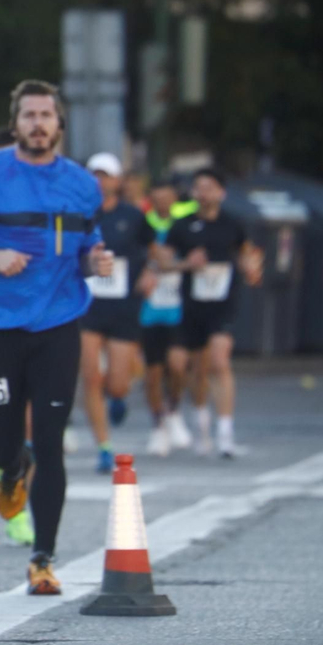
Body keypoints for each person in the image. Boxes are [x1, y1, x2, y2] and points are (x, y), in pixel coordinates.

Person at [0, 80, 114, 597]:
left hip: (58, 326)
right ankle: (10, 469)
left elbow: (88, 243)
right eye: (29, 115)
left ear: (59, 125)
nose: (37, 123)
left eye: (46, 115)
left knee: (50, 441)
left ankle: (43, 558)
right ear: (16, 124)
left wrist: (94, 260)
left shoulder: (81, 185)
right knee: (5, 440)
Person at [166, 168, 257, 458]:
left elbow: (247, 252)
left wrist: (250, 266)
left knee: (219, 361)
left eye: (209, 187)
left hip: (223, 304)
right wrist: (185, 265)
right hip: (192, 306)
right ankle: (200, 416)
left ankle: (225, 433)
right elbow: (163, 262)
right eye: (199, 187)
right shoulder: (181, 225)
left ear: (221, 193)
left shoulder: (233, 224)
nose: (203, 193)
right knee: (187, 366)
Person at [78, 153, 155, 474]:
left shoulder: (133, 216)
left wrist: (152, 271)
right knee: (91, 376)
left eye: (106, 175)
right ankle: (104, 447)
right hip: (87, 304)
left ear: (117, 181)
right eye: (94, 175)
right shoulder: (79, 215)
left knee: (117, 383)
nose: (100, 181)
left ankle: (119, 396)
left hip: (123, 304)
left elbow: (154, 250)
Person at [140, 179, 195, 455]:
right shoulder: (142, 223)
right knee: (152, 371)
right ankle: (158, 424)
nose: (163, 201)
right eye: (157, 196)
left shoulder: (186, 223)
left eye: (168, 196)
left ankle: (174, 409)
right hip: (148, 309)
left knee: (177, 364)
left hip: (177, 307)